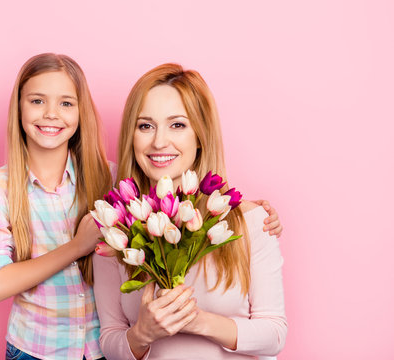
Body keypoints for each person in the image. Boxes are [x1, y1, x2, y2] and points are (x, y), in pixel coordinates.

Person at [92, 63, 287, 359]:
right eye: (145, 125)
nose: (159, 141)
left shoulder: (251, 222)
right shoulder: (115, 231)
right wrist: (141, 335)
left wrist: (198, 321)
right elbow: (110, 342)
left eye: (177, 125)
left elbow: (274, 334)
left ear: (200, 135)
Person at [0, 53, 112, 360]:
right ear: (19, 107)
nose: (51, 114)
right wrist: (76, 247)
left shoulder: (109, 178)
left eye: (66, 103)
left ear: (80, 111)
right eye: (37, 101)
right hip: (34, 350)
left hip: (104, 349)